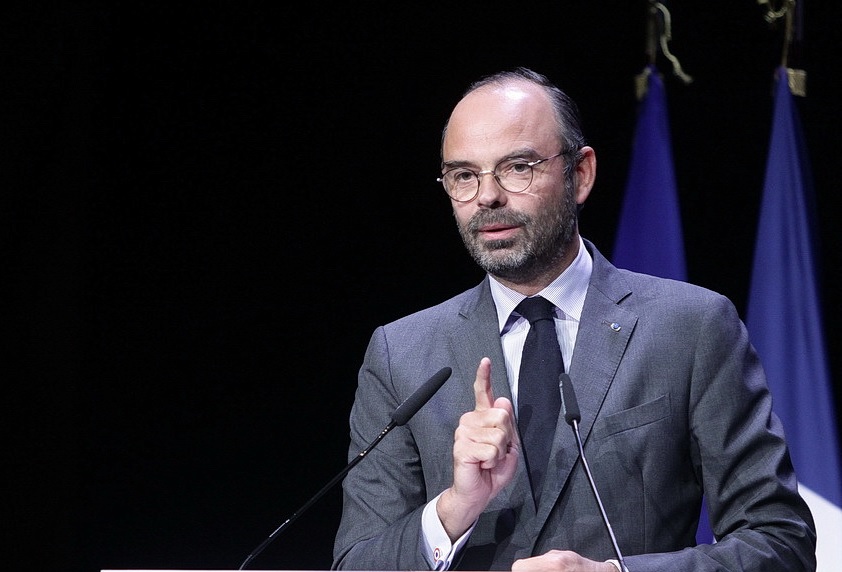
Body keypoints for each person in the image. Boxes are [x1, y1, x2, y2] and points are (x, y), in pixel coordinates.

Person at [332, 67, 816, 571]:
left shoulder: (690, 328)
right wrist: (456, 509)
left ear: (580, 174)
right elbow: (356, 564)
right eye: (464, 176)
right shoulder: (401, 354)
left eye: (518, 167)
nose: (488, 196)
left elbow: (781, 543)